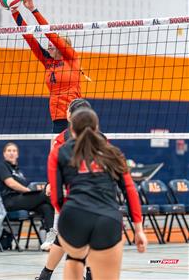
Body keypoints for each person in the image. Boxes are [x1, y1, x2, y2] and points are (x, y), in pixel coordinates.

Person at [48, 108, 147, 280]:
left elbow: (56, 196)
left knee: (74, 259)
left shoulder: (59, 152)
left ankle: (74, 259)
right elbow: (130, 191)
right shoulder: (112, 152)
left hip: (74, 216)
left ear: (72, 129)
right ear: (96, 128)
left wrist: (69, 215)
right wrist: (138, 229)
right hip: (107, 219)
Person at [11, 0, 85, 134]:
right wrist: (15, 12)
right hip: (57, 117)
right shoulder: (47, 61)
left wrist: (33, 9)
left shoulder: (71, 57)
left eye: (54, 43)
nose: (49, 44)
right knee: (58, 153)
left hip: (76, 115)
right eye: (49, 43)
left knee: (77, 153)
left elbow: (50, 34)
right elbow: (29, 37)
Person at [37, 98, 92, 279]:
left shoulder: (62, 139)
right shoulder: (98, 138)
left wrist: (52, 183)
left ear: (68, 115)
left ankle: (48, 274)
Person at [0, 142, 55, 246]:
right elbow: (11, 183)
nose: (11, 153)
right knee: (46, 194)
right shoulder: (2, 166)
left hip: (21, 199)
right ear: (4, 154)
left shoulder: (18, 171)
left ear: (17, 154)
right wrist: (28, 191)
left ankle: (51, 239)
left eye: (14, 151)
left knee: (46, 207)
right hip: (11, 201)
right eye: (9, 151)